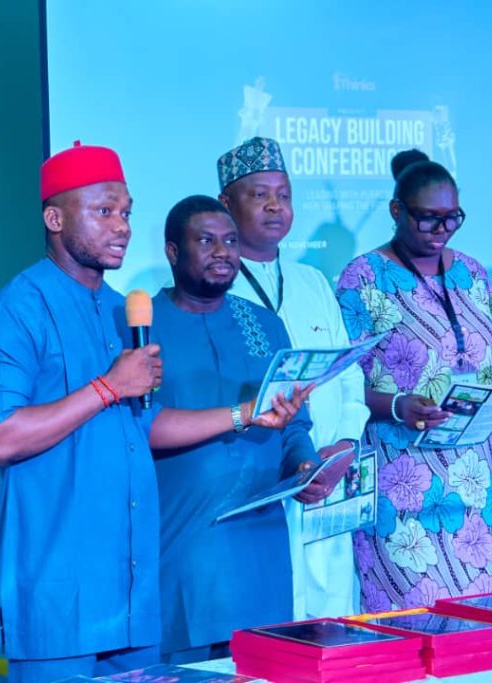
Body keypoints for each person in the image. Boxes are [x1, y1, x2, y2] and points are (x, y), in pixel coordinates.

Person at [0, 143, 309, 682]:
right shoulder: (13, 310)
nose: (122, 227)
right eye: (104, 211)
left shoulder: (121, 310)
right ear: (55, 219)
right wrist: (108, 386)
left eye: (126, 212)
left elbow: (147, 424)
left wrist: (245, 414)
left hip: (134, 589)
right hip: (60, 592)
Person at [335, 150, 492, 612]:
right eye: (429, 218)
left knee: (480, 624)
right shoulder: (362, 278)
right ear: (396, 210)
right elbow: (340, 386)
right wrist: (397, 405)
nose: (442, 229)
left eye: (453, 218)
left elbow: (471, 366)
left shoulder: (473, 273)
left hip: (473, 487)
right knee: (411, 623)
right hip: (399, 483)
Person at [151, 195, 342, 663]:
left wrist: (305, 466)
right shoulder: (140, 325)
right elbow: (137, 429)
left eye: (231, 241)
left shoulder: (265, 324)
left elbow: (294, 421)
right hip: (185, 546)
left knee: (266, 662)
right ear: (173, 251)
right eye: (206, 241)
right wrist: (240, 414)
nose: (223, 252)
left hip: (262, 545)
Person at [218, 136, 370, 619]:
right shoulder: (210, 287)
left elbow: (348, 375)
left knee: (333, 622)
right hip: (261, 488)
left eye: (283, 195)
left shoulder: (313, 282)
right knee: (273, 625)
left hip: (328, 480)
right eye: (259, 194)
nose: (274, 206)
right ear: (226, 203)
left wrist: (344, 445)